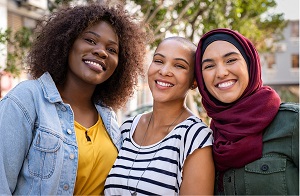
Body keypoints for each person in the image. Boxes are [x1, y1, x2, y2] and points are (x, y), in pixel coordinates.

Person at [0, 4, 149, 195]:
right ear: (67, 42)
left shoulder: (108, 119)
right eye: (90, 40)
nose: (101, 52)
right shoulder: (27, 100)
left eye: (112, 50)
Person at [104, 36, 215, 195]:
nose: (164, 71)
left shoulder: (195, 137)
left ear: (194, 82)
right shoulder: (128, 127)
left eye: (179, 66)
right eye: (159, 61)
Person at [195, 28, 299, 195]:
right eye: (209, 66)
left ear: (250, 64)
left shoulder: (293, 123)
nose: (221, 72)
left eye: (230, 60)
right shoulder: (205, 140)